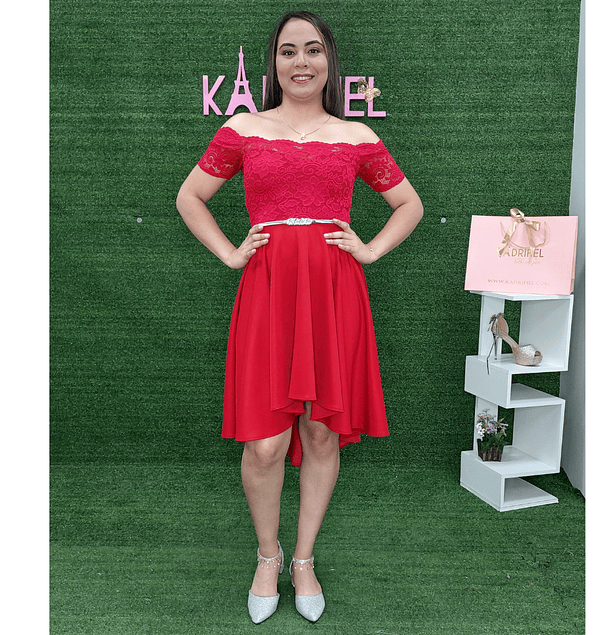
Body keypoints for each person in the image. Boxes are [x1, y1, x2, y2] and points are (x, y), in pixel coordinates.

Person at [176, 10, 423, 624]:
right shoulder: (243, 128)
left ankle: (304, 559)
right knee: (264, 444)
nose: (302, 62)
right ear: (274, 63)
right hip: (267, 291)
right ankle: (269, 555)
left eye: (313, 50)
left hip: (335, 292)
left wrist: (370, 249)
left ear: (329, 61)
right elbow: (191, 197)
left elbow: (409, 205)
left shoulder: (355, 136)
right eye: (289, 51)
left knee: (320, 432)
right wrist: (230, 253)